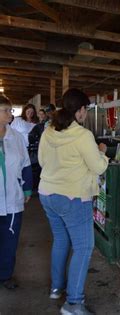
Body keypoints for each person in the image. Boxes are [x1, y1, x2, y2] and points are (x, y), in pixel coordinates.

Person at [38, 88, 109, 314]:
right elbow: (98, 167)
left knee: (61, 240)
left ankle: (57, 288)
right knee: (84, 247)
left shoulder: (49, 130)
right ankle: (74, 303)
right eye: (85, 110)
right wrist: (102, 152)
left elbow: (41, 160)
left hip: (47, 193)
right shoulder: (82, 135)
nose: (85, 114)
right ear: (79, 111)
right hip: (72, 197)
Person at [0, 94, 32, 290]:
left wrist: (28, 189)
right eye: (5, 110)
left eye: (10, 110)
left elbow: (26, 165)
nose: (10, 114)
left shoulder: (17, 137)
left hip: (12, 198)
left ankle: (5, 275)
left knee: (10, 240)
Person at [28, 104, 56, 192]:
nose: (49, 113)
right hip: (45, 149)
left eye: (50, 111)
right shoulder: (43, 124)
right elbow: (32, 136)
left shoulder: (59, 121)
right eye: (47, 112)